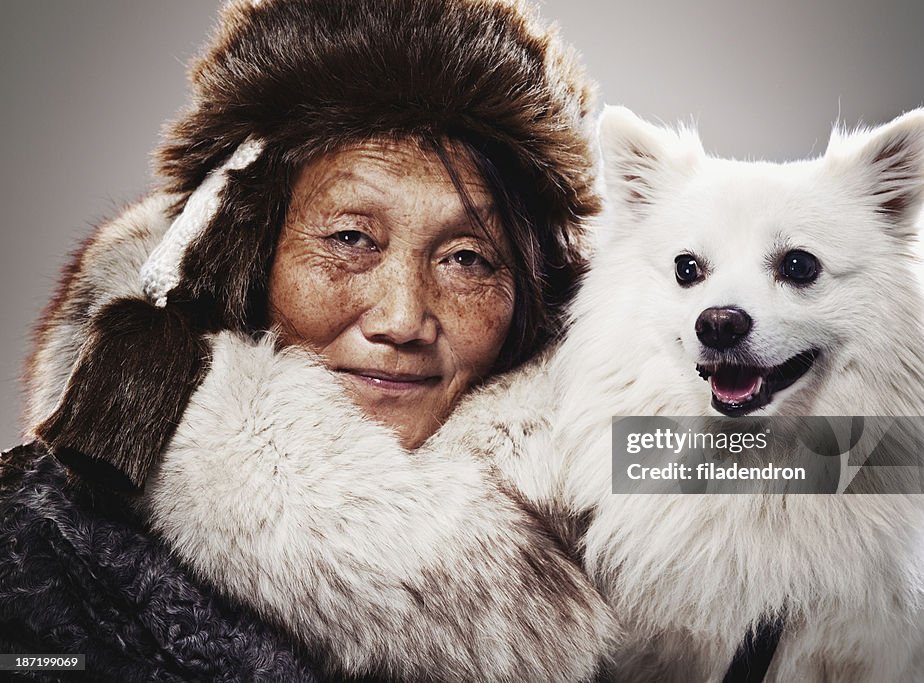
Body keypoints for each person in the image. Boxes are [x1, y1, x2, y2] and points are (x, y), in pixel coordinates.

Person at [0, 0, 621, 680]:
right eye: (350, 239)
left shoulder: (629, 514)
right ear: (247, 258)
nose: (403, 318)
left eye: (467, 258)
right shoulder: (40, 543)